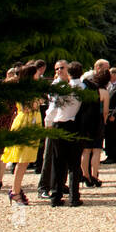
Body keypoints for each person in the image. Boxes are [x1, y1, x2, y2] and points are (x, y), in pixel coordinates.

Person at [44, 61, 85, 207]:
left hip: (58, 123)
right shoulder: (83, 87)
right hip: (73, 125)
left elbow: (53, 108)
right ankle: (74, 197)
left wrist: (47, 123)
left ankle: (56, 196)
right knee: (74, 163)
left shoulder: (63, 87)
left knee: (58, 161)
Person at [3, 62, 44, 205]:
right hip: (26, 123)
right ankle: (15, 191)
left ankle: (16, 189)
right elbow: (29, 107)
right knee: (22, 161)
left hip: (31, 122)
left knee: (24, 161)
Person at [37, 59, 71, 200]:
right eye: (56, 69)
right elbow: (52, 108)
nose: (59, 71)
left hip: (66, 123)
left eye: (61, 68)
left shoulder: (71, 84)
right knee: (49, 155)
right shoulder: (55, 86)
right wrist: (48, 124)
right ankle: (43, 187)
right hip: (54, 123)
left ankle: (59, 184)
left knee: (63, 157)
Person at [77, 68, 111, 187]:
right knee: (96, 150)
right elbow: (105, 111)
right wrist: (104, 122)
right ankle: (95, 176)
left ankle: (85, 175)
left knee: (85, 151)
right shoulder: (104, 92)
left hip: (86, 122)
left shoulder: (88, 90)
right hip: (98, 121)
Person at [103, 67, 116, 164]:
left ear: (115, 75)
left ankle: (113, 155)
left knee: (113, 136)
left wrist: (114, 114)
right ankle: (109, 154)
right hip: (108, 114)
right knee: (108, 135)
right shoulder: (110, 86)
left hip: (113, 115)